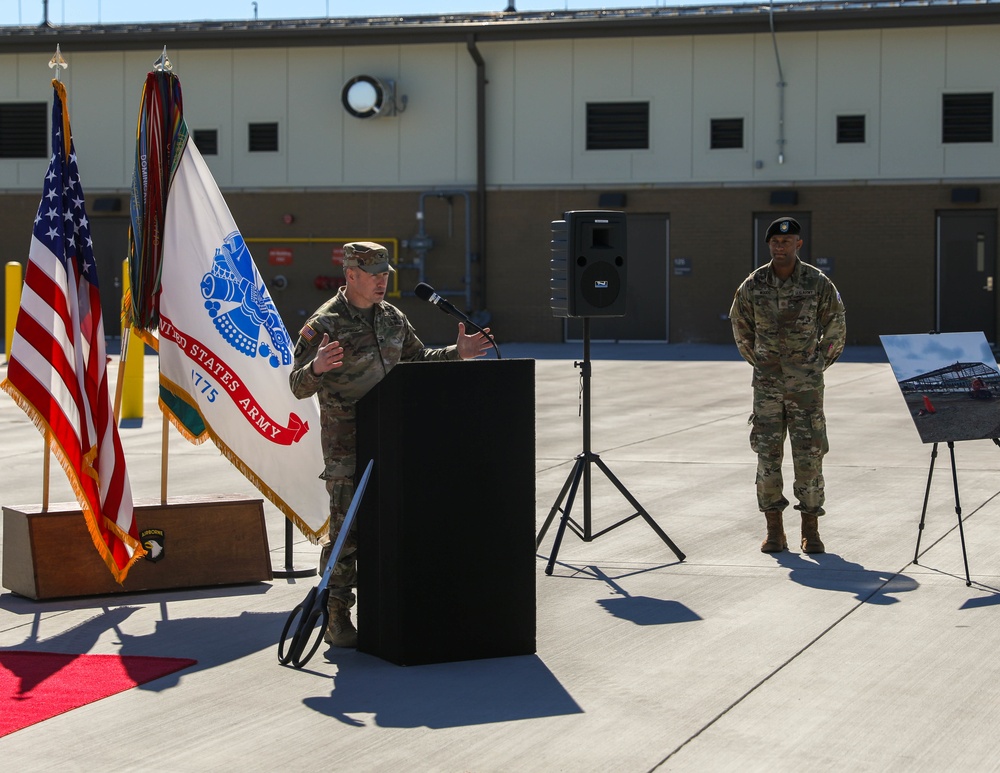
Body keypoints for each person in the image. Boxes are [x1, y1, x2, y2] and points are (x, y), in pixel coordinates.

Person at [289, 241, 493, 647]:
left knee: (396, 523)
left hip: (394, 439)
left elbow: (417, 360)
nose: (382, 281)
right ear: (351, 276)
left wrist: (459, 353)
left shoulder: (392, 319)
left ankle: (392, 605)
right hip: (347, 445)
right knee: (349, 532)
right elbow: (297, 385)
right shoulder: (324, 323)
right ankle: (336, 616)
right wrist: (316, 368)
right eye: (374, 275)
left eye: (385, 275)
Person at [729, 217, 846, 554]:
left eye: (787, 241)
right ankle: (774, 530)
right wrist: (761, 361)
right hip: (767, 386)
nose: (780, 247)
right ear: (769, 246)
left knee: (809, 457)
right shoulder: (753, 284)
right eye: (775, 243)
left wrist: (817, 364)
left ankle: (810, 528)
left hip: (806, 388)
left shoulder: (817, 282)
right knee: (767, 458)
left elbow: (836, 325)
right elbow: (740, 325)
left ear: (799, 244)